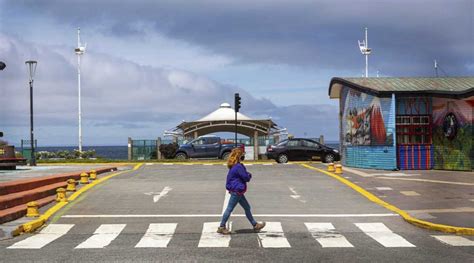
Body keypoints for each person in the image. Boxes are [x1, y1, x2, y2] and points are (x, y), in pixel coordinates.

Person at [217, 148, 265, 235]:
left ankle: (255, 225)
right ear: (239, 156)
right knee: (229, 208)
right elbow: (246, 178)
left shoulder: (234, 166)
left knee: (247, 207)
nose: (244, 156)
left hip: (237, 190)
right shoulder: (238, 167)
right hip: (237, 191)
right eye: (242, 155)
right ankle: (221, 227)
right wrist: (249, 175)